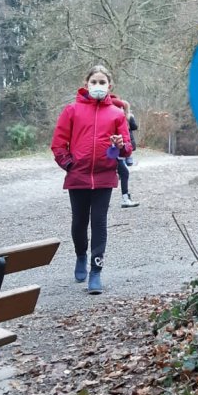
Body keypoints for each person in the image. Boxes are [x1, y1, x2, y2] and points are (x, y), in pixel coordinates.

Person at [50, 64, 132, 294]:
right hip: (78, 176)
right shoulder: (72, 110)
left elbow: (127, 148)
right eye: (94, 82)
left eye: (102, 82)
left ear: (110, 86)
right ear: (86, 84)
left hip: (104, 177)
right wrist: (69, 164)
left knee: (99, 222)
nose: (98, 86)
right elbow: (58, 143)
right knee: (79, 222)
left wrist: (120, 145)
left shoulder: (117, 114)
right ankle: (80, 255)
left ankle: (96, 271)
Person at [110, 96, 139, 208]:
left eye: (122, 108)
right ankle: (124, 198)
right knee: (121, 173)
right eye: (119, 107)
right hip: (111, 154)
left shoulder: (122, 119)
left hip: (117, 153)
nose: (121, 109)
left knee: (123, 173)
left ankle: (125, 198)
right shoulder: (113, 119)